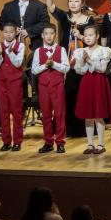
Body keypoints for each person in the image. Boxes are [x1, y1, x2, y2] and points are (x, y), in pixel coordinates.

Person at [72, 25, 111, 155]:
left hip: (99, 82)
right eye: (86, 35)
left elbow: (102, 69)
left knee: (98, 115)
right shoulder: (80, 51)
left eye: (91, 35)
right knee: (88, 115)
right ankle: (90, 144)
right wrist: (81, 62)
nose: (88, 38)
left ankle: (101, 144)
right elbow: (80, 71)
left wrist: (89, 60)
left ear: (97, 36)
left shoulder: (104, 50)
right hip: (86, 82)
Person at [31, 24, 70, 154]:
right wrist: (45, 66)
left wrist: (54, 64)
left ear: (55, 35)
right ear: (42, 35)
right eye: (46, 34)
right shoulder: (38, 51)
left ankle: (60, 142)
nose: (49, 36)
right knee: (46, 115)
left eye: (51, 33)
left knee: (59, 114)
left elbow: (66, 68)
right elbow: (34, 70)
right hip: (43, 87)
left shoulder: (61, 50)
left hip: (57, 85)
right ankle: (48, 142)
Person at [0, 21, 26, 151]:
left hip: (15, 82)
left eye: (11, 32)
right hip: (2, 83)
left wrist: (10, 52)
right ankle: (6, 141)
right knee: (3, 111)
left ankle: (17, 141)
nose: (8, 34)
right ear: (3, 33)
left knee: (16, 112)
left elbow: (18, 63)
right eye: (5, 32)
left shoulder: (20, 46)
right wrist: (0, 54)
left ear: (16, 32)